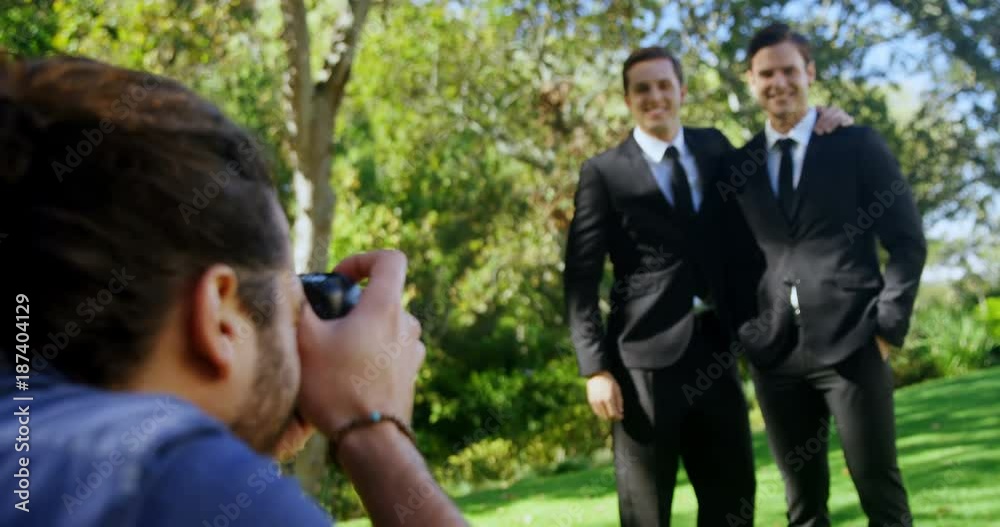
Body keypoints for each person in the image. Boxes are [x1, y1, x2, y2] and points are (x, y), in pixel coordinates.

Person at [0, 54, 467, 526]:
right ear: (221, 315)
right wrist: (373, 430)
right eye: (293, 309)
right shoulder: (172, 481)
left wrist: (250, 430)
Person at [563, 46, 851, 526]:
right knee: (646, 511)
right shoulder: (604, 173)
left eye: (663, 85)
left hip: (718, 351)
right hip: (641, 366)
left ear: (682, 91)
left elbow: (773, 162)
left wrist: (819, 121)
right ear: (628, 98)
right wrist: (594, 368)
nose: (655, 96)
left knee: (733, 499)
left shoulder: (715, 148)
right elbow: (580, 277)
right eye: (642, 89)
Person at [722, 23, 926, 527]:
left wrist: (886, 328)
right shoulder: (738, 164)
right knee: (803, 506)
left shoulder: (855, 143)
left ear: (809, 73)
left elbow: (907, 240)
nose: (779, 83)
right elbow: (727, 263)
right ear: (750, 81)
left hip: (855, 344)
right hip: (776, 357)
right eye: (766, 74)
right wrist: (747, 336)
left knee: (879, 489)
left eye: (790, 70)